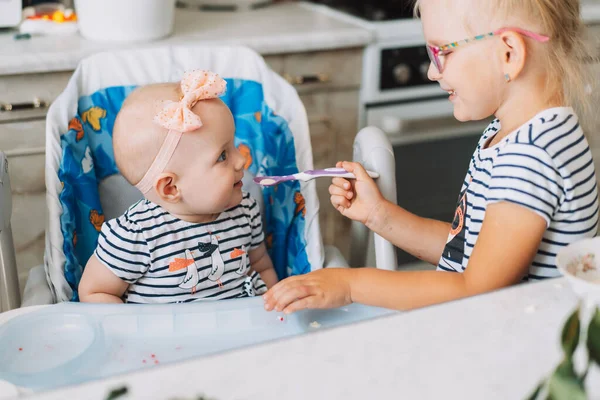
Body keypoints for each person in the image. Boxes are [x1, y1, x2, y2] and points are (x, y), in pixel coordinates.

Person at [264, 0, 598, 313]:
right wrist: (380, 215)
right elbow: (467, 252)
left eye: (442, 52)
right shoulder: (524, 133)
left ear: (508, 53)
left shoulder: (530, 156)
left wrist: (350, 284)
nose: (432, 72)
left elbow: (477, 288)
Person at [79, 70, 277, 303]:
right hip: (167, 339)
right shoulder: (136, 236)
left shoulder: (245, 211)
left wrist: (274, 302)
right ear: (171, 188)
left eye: (233, 145)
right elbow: (95, 292)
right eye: (223, 156)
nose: (241, 160)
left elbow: (261, 267)